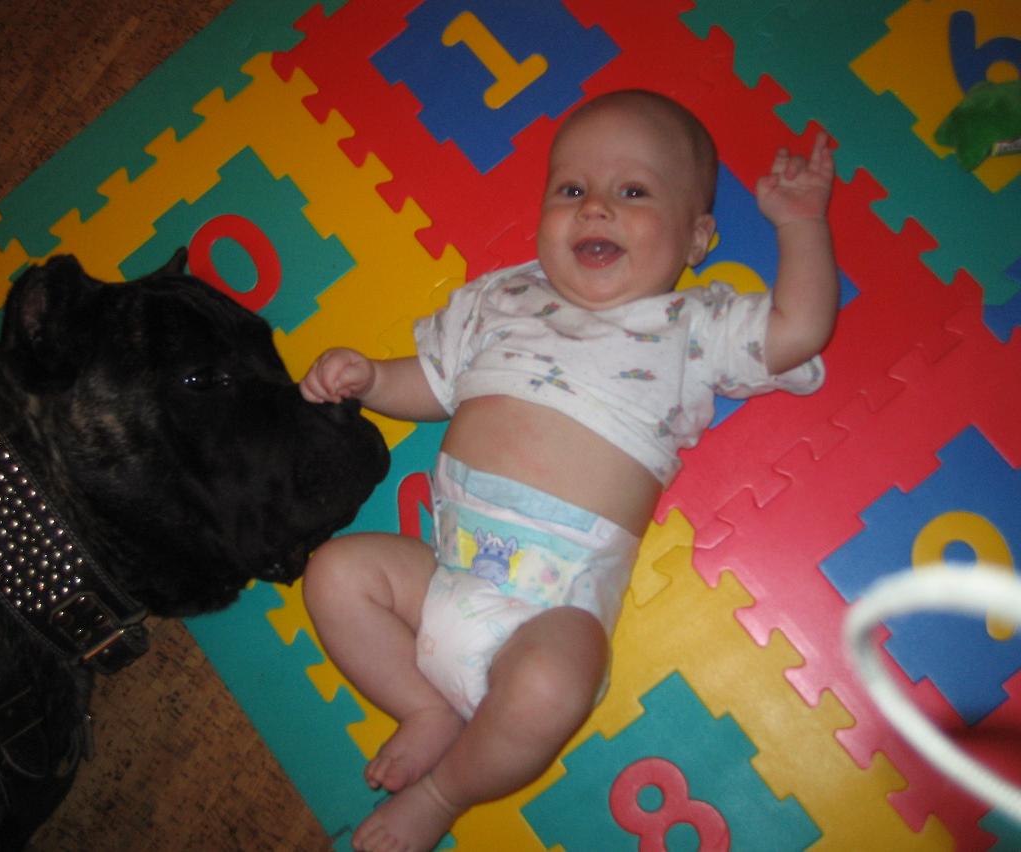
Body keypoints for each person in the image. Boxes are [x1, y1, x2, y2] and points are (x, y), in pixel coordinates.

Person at [299, 89, 838, 852]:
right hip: (446, 572)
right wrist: (373, 379)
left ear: (696, 238)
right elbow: (436, 381)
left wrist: (800, 223)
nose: (596, 208)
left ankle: (445, 792)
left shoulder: (691, 328)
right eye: (572, 189)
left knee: (555, 682)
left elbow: (799, 328)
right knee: (334, 573)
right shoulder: (503, 297)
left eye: (633, 192)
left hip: (553, 610)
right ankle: (426, 708)